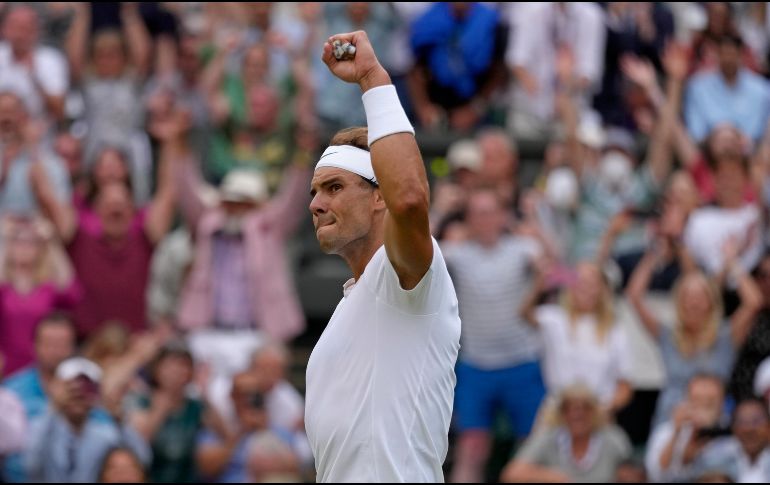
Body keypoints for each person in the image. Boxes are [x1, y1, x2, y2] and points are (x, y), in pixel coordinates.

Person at [304, 31, 461, 482]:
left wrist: (373, 77)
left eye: (334, 188)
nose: (315, 204)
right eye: (315, 191)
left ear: (378, 199)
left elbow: (409, 198)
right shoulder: (349, 308)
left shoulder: (403, 280)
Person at [442, 189, 546, 483]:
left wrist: (535, 228)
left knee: (532, 448)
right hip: (477, 365)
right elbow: (420, 254)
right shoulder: (455, 253)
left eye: (490, 212)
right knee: (471, 449)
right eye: (476, 213)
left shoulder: (525, 248)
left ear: (503, 216)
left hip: (522, 363)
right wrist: (442, 214)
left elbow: (556, 268)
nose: (484, 220)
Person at [626, 241, 763, 427]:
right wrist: (652, 256)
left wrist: (732, 263)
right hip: (670, 420)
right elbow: (634, 296)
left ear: (711, 302)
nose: (694, 304)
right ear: (679, 303)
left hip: (714, 421)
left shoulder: (725, 335)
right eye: (688, 297)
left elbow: (754, 303)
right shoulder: (668, 335)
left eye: (700, 297)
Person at [522, 262, 634, 414]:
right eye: (580, 282)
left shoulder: (614, 330)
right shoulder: (555, 319)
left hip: (597, 412)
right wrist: (538, 288)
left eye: (592, 283)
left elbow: (624, 385)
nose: (586, 289)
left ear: (603, 289)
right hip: (558, 411)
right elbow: (525, 315)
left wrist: (604, 410)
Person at [24, 357, 150, 483]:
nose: (77, 394)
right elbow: (30, 464)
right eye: (70, 387)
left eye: (85, 388)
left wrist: (117, 416)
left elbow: (142, 460)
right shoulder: (42, 427)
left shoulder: (104, 436)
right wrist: (54, 406)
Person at [500, 385, 632, 483]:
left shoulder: (613, 438)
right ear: (561, 414)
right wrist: (552, 477)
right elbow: (512, 473)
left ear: (594, 412)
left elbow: (630, 473)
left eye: (585, 408)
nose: (577, 415)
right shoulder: (547, 437)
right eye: (569, 409)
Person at [0, 217, 81, 375]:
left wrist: (52, 242)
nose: (24, 247)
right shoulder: (4, 288)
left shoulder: (48, 287)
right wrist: (3, 239)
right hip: (6, 364)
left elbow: (74, 293)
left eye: (31, 242)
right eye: (18, 241)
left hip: (43, 364)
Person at [645, 375, 729, 482]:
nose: (702, 406)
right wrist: (676, 433)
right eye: (697, 400)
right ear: (686, 399)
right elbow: (657, 476)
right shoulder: (667, 431)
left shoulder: (735, 429)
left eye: (710, 401)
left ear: (722, 402)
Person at [695, 398, 770, 482]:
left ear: (768, 426)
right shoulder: (716, 453)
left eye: (756, 421)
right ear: (733, 428)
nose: (749, 429)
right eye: (742, 421)